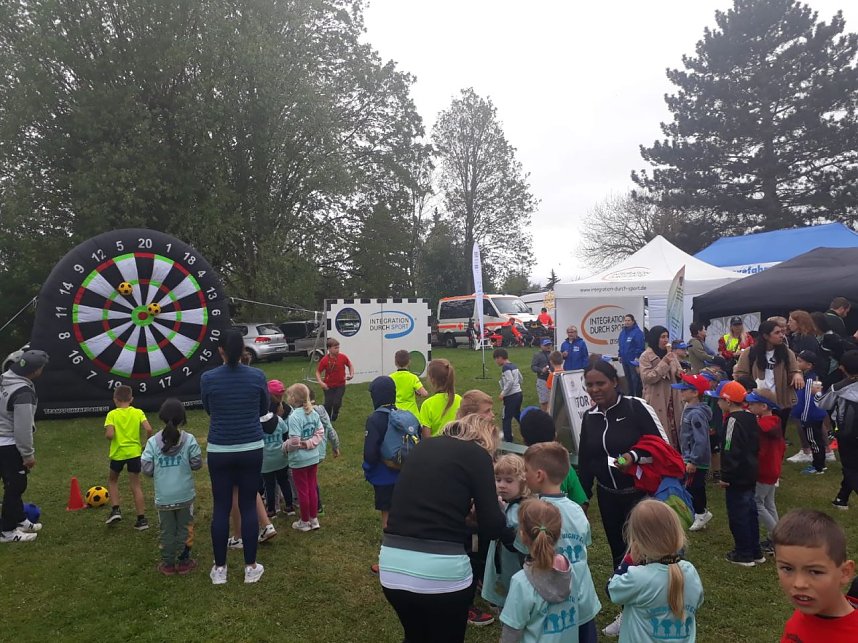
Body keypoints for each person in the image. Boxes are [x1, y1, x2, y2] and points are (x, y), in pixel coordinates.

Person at [378, 414, 507, 643]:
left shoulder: (423, 447)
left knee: (416, 636)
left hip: (392, 565)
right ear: (487, 440)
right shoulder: (478, 456)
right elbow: (493, 526)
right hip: (442, 571)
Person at [578, 360, 667, 569]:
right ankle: (624, 588)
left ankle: (650, 590)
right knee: (618, 551)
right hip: (607, 496)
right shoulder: (590, 418)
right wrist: (583, 498)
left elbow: (663, 448)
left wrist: (633, 455)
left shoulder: (636, 407)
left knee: (646, 550)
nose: (595, 390)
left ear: (614, 382)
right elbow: (586, 460)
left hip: (640, 495)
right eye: (589, 385)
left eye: (601, 383)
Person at [200, 328, 268, 585]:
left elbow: (208, 408)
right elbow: (263, 407)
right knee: (248, 504)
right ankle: (250, 567)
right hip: (251, 447)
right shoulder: (257, 376)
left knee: (221, 507)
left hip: (220, 449)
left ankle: (220, 569)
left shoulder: (208, 378)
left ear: (220, 351)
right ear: (242, 351)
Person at [523, 442, 600, 642]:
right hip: (582, 595)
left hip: (547, 600)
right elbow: (585, 544)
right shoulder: (577, 510)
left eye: (526, 470)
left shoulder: (532, 512)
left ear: (539, 475)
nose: (524, 475)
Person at [607, 500, 704, 643]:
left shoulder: (638, 577)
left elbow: (611, 590)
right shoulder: (690, 572)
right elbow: (698, 602)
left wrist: (628, 561)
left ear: (637, 541)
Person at [499, 499, 579, 643]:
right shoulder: (569, 569)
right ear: (558, 533)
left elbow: (511, 632)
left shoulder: (520, 582)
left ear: (522, 535)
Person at [772, 509, 858, 640]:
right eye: (787, 568)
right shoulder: (804, 611)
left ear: (844, 572)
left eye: (815, 571)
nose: (799, 584)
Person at [141, 398, 203, 575]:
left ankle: (168, 564)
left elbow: (146, 468)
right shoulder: (189, 440)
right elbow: (197, 463)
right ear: (182, 418)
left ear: (161, 417)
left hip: (164, 497)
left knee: (166, 530)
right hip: (185, 495)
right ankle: (184, 562)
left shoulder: (153, 442)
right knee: (185, 528)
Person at [714, 380, 764, 567]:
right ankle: (755, 550)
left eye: (719, 400)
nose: (718, 403)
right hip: (750, 472)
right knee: (751, 512)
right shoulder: (751, 417)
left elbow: (729, 448)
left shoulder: (732, 421)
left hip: (737, 477)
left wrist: (725, 476)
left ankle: (744, 553)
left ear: (727, 401)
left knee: (738, 515)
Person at [0, 349, 48, 543]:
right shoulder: (23, 392)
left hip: (3, 441)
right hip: (9, 445)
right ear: (35, 371)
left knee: (12, 484)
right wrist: (28, 455)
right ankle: (8, 531)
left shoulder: (5, 378)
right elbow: (23, 428)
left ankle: (20, 518)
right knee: (16, 486)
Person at [733, 319, 803, 433]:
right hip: (757, 402)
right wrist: (749, 391)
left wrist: (797, 375)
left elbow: (794, 371)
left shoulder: (787, 352)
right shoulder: (750, 353)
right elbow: (740, 374)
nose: (781, 335)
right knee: (758, 435)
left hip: (781, 402)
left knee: (778, 434)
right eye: (777, 333)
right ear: (765, 336)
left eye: (781, 332)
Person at [363, 375, 401, 574]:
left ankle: (388, 560)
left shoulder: (375, 418)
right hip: (405, 475)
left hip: (384, 477)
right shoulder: (404, 414)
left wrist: (368, 468)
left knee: (387, 517)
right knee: (403, 514)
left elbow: (370, 453)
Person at [482, 454, 528, 609]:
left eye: (509, 481)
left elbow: (518, 544)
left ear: (522, 482)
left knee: (516, 605)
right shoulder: (502, 504)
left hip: (514, 567)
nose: (502, 485)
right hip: (499, 566)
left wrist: (500, 521)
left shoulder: (523, 510)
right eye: (498, 479)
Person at [103, 384, 153, 530]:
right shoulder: (138, 412)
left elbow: (110, 435)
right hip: (134, 453)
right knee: (136, 485)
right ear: (131, 399)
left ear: (115, 399)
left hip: (118, 454)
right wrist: (145, 443)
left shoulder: (112, 414)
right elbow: (149, 429)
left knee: (112, 480)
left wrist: (108, 434)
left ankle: (115, 509)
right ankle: (141, 519)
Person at [519, 408, 588, 509]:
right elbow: (581, 503)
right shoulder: (564, 466)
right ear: (554, 436)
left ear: (524, 440)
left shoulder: (520, 469)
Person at [745, 388, 784, 556]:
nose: (749, 406)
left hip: (764, 471)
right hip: (773, 469)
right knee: (769, 503)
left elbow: (758, 449)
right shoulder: (775, 422)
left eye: (753, 404)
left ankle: (779, 538)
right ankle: (774, 538)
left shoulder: (760, 426)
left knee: (757, 503)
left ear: (764, 406)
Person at [818, 350, 858, 510]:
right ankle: (842, 498)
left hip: (848, 433)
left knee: (850, 467)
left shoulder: (839, 387)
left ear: (842, 368)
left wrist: (816, 394)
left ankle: (842, 498)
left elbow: (822, 404)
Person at [672, 373, 712, 532]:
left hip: (696, 460)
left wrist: (693, 461)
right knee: (694, 486)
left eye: (684, 390)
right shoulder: (689, 410)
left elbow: (700, 440)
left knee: (694, 487)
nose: (681, 392)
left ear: (695, 393)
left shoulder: (695, 414)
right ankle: (699, 512)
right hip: (690, 458)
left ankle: (701, 513)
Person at [284, 382, 324, 532]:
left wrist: (285, 446)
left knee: (302, 490)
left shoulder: (294, 417)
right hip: (313, 457)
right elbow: (320, 433)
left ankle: (305, 521)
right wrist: (310, 444)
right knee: (312, 487)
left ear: (293, 399)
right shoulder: (313, 413)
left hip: (299, 460)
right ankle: (314, 519)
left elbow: (294, 441)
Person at [639, 325, 683, 448]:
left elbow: (678, 370)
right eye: (662, 337)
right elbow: (648, 377)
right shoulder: (645, 356)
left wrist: (681, 373)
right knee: (661, 432)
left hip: (672, 399)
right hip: (657, 399)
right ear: (655, 338)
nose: (665, 340)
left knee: (675, 430)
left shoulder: (671, 355)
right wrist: (664, 363)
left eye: (667, 337)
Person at [791, 350, 828, 474]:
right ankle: (820, 463)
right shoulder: (811, 378)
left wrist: (804, 417)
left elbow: (809, 400)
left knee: (814, 441)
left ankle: (818, 466)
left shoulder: (810, 381)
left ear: (809, 365)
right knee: (817, 440)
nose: (796, 362)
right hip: (813, 416)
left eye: (799, 361)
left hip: (810, 417)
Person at [260, 389, 292, 518]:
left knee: (269, 486)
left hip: (265, 461)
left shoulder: (256, 423)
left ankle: (271, 510)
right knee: (284, 482)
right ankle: (290, 507)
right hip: (281, 458)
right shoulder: (279, 420)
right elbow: (286, 435)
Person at [418, 358, 461, 438]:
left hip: (436, 448)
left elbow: (426, 439)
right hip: (458, 447)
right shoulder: (460, 400)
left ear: (432, 380)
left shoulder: (428, 404)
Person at [315, 338, 354, 422]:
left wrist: (351, 374)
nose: (337, 350)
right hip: (328, 386)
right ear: (329, 349)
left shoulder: (342, 357)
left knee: (337, 402)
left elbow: (350, 365)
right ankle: (327, 420)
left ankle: (336, 412)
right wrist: (321, 382)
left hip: (340, 384)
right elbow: (318, 372)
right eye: (335, 348)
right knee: (328, 404)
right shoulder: (325, 360)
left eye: (338, 347)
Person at [494, 348, 523, 443]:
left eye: (496, 359)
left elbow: (510, 381)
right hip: (519, 394)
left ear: (500, 358)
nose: (496, 361)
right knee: (517, 414)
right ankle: (528, 429)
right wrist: (517, 387)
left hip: (511, 396)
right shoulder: (514, 365)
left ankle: (508, 439)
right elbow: (520, 378)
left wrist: (503, 393)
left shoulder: (505, 367)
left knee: (506, 418)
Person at [389, 349, 427, 416]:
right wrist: (417, 393)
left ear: (395, 362)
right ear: (409, 362)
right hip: (412, 414)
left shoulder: (390, 378)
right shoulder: (413, 377)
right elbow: (424, 394)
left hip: (396, 413)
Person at [618, 314, 645, 397]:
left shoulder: (637, 333)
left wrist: (637, 357)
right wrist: (619, 354)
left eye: (629, 320)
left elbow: (640, 346)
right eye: (625, 320)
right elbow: (621, 344)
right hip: (625, 360)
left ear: (633, 321)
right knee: (628, 379)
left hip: (633, 361)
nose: (627, 322)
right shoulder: (623, 332)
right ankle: (630, 396)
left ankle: (637, 397)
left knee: (635, 380)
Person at [531, 339, 553, 412]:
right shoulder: (537, 355)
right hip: (542, 379)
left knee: (552, 400)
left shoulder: (552, 354)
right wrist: (541, 370)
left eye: (549, 345)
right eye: (546, 345)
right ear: (541, 346)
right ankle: (544, 415)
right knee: (544, 401)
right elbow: (533, 367)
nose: (548, 347)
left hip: (552, 379)